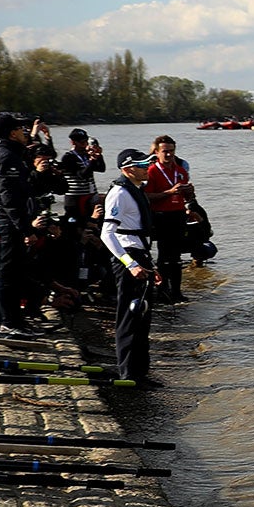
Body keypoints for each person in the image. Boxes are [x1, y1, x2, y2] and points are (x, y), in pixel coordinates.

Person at [99, 148, 160, 385]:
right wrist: (131, 264)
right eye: (142, 164)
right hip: (128, 257)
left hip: (140, 255)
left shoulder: (136, 190)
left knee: (142, 316)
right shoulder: (119, 193)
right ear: (128, 169)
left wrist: (150, 265)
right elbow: (107, 234)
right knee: (129, 315)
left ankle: (140, 373)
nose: (147, 168)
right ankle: (127, 373)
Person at [0, 113, 40, 333]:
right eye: (20, 128)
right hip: (9, 223)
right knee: (10, 273)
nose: (24, 132)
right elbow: (10, 199)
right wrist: (26, 229)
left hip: (3, 219)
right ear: (11, 133)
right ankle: (9, 322)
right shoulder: (7, 157)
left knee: (13, 272)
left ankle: (14, 319)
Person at [141, 134, 194, 302]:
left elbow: (188, 198)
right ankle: (163, 292)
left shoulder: (180, 170)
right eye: (165, 151)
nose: (169, 155)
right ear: (156, 152)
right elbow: (145, 196)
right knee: (164, 256)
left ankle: (177, 292)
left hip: (178, 214)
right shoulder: (151, 171)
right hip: (160, 216)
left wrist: (189, 193)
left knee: (176, 256)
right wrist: (169, 193)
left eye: (171, 151)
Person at [58, 129, 105, 221]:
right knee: (76, 222)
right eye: (81, 142)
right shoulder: (68, 157)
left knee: (94, 220)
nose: (84, 144)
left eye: (85, 141)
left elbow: (101, 169)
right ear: (73, 142)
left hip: (90, 193)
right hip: (75, 196)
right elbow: (82, 175)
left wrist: (98, 156)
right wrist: (92, 160)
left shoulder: (86, 155)